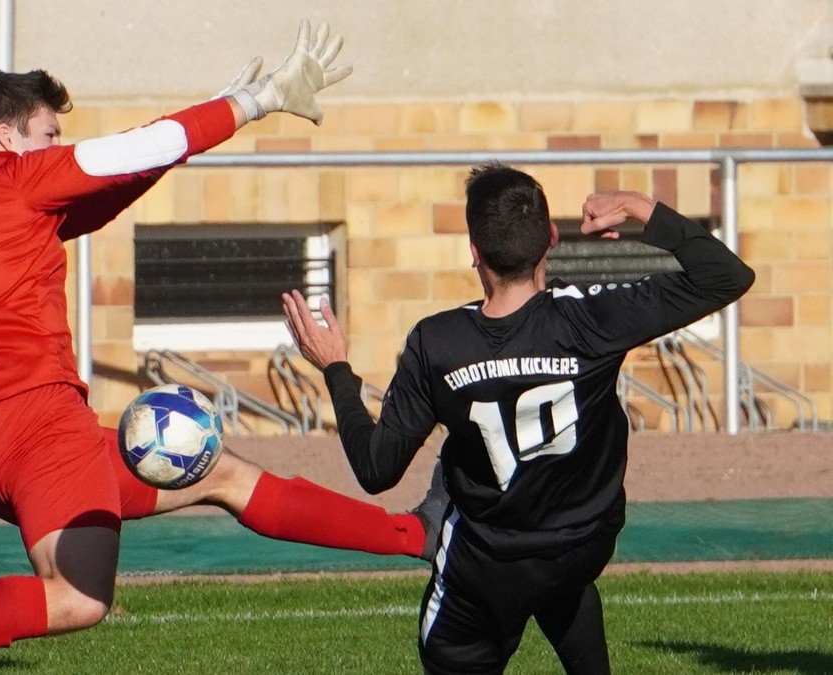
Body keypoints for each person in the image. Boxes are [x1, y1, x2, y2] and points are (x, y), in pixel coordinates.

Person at [0, 20, 443, 675]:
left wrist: (179, 148)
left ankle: (419, 533)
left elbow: (113, 188)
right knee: (77, 599)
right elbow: (141, 145)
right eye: (48, 134)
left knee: (224, 471)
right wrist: (250, 104)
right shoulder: (17, 183)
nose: (59, 148)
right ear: (5, 136)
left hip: (4, 440)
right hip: (42, 430)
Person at [282, 164, 755, 674]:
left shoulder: (437, 343)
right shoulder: (592, 316)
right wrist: (641, 207)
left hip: (490, 563)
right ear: (551, 237)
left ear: (474, 251)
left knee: (459, 628)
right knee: (559, 576)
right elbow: (727, 275)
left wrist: (335, 369)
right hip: (585, 541)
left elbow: (377, 469)